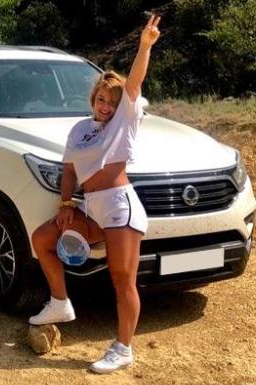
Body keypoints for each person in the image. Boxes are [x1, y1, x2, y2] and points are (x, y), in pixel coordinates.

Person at [29, 15, 161, 374]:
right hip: (91, 210)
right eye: (101, 99)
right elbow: (70, 170)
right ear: (93, 99)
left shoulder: (125, 120)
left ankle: (123, 348)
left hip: (120, 207)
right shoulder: (79, 130)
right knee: (42, 238)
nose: (106, 106)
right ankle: (60, 302)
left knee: (122, 278)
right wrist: (66, 202)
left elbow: (134, 83)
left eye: (112, 102)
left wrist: (144, 46)